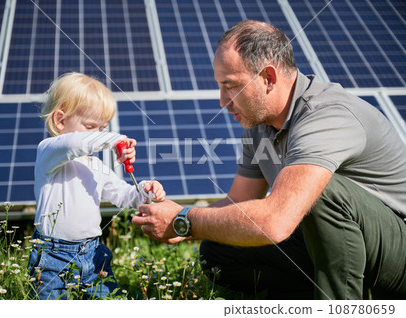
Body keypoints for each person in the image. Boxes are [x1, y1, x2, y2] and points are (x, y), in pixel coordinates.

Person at [132, 20, 406, 300]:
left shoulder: (326, 117)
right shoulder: (259, 127)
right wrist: (179, 221)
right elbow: (238, 203)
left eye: (230, 86)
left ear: (269, 78)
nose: (222, 100)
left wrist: (186, 220)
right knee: (219, 251)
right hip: (341, 244)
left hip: (398, 252)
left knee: (322, 193)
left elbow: (276, 221)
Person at [29, 72, 166, 299]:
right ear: (60, 121)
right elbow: (75, 143)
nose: (99, 134)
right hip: (53, 256)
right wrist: (113, 139)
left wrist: (145, 190)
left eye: (103, 128)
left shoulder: (95, 165)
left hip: (92, 253)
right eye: (92, 126)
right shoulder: (49, 151)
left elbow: (123, 195)